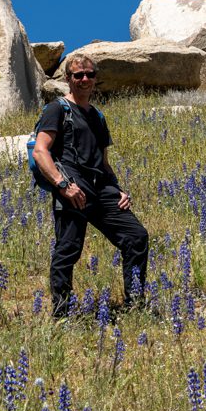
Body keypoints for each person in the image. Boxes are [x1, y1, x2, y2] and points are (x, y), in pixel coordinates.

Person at [32, 53, 149, 318]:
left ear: (95, 78)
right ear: (67, 79)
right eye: (78, 75)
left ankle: (135, 304)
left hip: (100, 188)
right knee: (68, 250)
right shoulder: (57, 109)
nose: (84, 79)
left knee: (136, 236)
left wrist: (118, 189)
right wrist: (63, 185)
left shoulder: (97, 115)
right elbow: (41, 152)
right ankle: (62, 315)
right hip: (72, 187)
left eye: (89, 74)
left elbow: (104, 162)